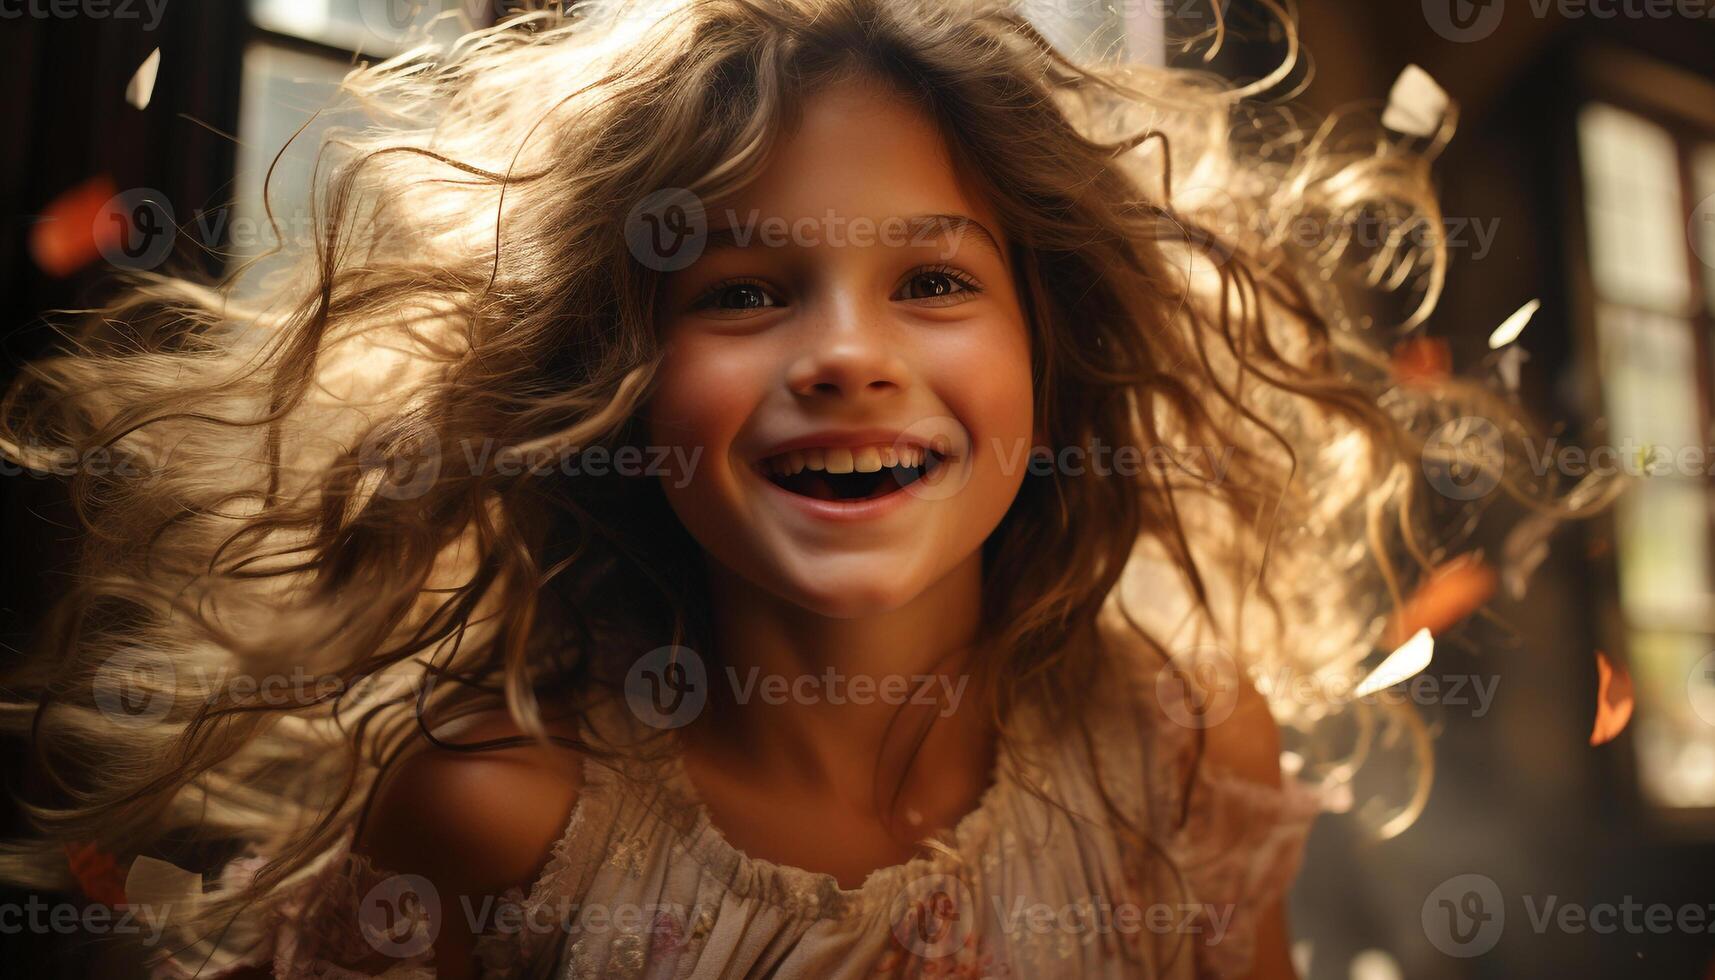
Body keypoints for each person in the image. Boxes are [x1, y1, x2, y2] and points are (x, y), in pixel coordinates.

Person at [0, 0, 1531, 976]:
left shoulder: (1189, 764)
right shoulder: (493, 819)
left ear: (1054, 355)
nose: (847, 356)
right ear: (614, 376)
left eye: (933, 277)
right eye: (742, 292)